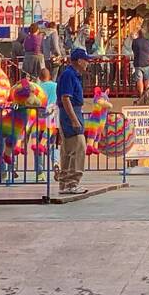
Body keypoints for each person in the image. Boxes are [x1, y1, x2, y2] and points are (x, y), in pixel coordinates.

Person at [55, 48, 89, 196]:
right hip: (70, 113)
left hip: (74, 111)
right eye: (86, 60)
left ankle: (65, 183)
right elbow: (65, 98)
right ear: (80, 61)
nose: (87, 63)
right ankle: (72, 181)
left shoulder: (73, 75)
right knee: (79, 146)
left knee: (68, 150)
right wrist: (74, 119)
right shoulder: (69, 75)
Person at [130, 25, 149, 97]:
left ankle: (141, 95)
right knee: (147, 79)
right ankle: (146, 95)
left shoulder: (135, 41)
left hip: (138, 63)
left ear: (139, 34)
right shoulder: (148, 41)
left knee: (139, 79)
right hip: (146, 63)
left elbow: (133, 50)